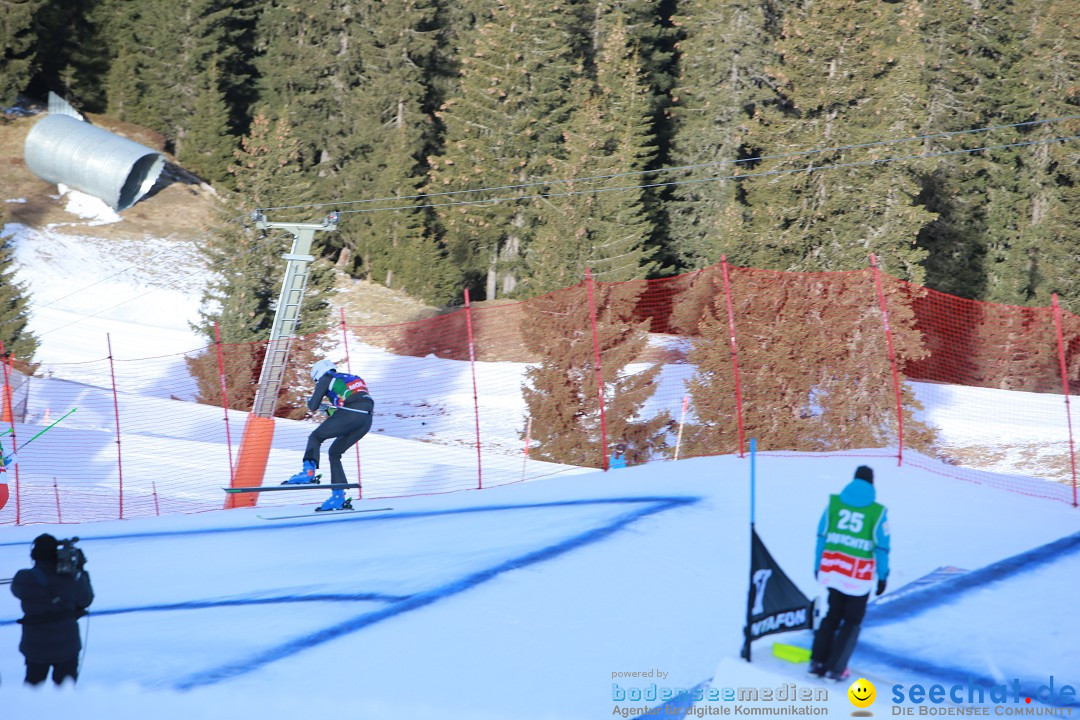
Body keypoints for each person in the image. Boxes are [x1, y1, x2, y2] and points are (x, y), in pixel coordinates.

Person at [808, 465, 889, 682]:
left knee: (832, 614)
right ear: (872, 484)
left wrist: (818, 565)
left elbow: (821, 536)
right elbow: (882, 547)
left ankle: (817, 662)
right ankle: (837, 668)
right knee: (852, 621)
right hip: (858, 577)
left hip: (835, 571)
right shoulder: (877, 512)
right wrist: (882, 576)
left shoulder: (834, 504)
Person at [284, 359, 375, 512]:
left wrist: (313, 402)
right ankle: (338, 497)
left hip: (353, 412)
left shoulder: (326, 378)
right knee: (334, 453)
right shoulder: (350, 378)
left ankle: (308, 472)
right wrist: (328, 410)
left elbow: (312, 406)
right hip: (366, 420)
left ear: (317, 375)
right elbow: (351, 408)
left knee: (315, 437)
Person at [10, 534, 94, 686]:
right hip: (67, 647)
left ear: (33, 555)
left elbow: (16, 590)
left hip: (35, 648)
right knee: (64, 697)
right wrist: (80, 569)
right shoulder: (71, 578)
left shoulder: (23, 579)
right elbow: (86, 599)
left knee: (32, 693)